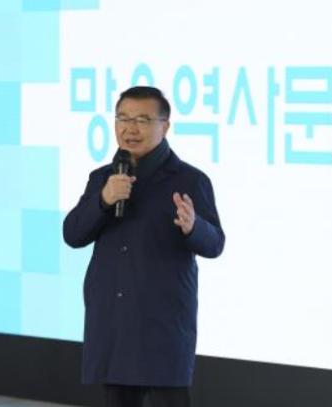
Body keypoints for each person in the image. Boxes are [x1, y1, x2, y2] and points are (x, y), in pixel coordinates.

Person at [63, 86, 225, 407]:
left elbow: (216, 243)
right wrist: (104, 200)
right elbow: (73, 234)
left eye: (142, 120)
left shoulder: (190, 180)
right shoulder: (103, 179)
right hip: (113, 318)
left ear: (165, 126)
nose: (130, 128)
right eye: (123, 118)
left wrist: (194, 226)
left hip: (162, 320)